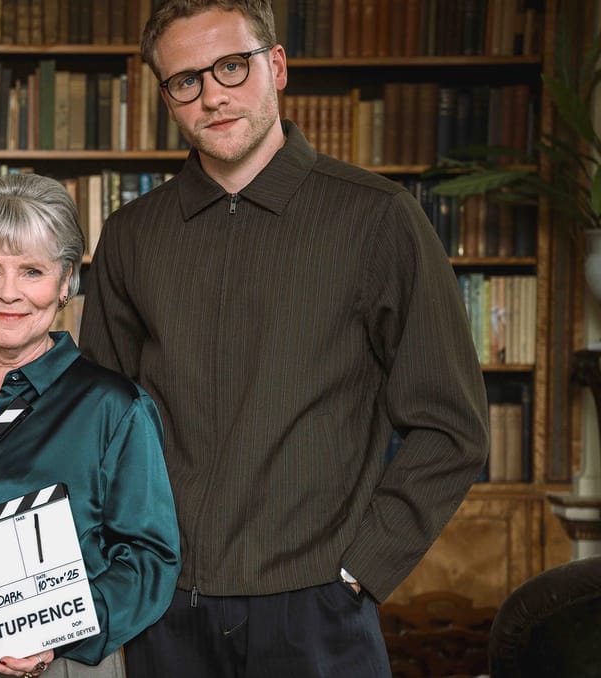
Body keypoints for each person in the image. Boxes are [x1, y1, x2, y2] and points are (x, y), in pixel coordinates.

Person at [79, 2, 489, 677]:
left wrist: (361, 568)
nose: (212, 95)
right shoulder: (131, 235)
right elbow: (99, 427)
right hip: (165, 610)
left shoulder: (378, 217)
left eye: (231, 67)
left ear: (276, 66)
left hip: (318, 607)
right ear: (166, 98)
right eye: (186, 81)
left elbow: (452, 424)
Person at [0, 174, 180, 678]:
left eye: (33, 272)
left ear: (65, 281)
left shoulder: (113, 406)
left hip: (63, 665)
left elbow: (150, 561)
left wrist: (56, 639)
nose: (8, 293)